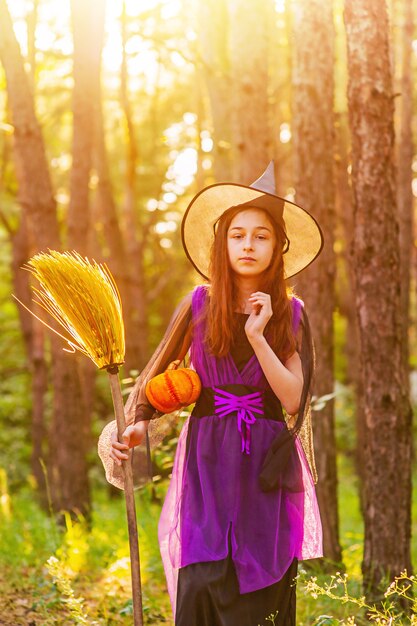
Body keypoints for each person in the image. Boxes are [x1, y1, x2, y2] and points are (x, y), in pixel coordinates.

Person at [98, 162, 323, 626]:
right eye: (237, 234)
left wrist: (259, 336)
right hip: (207, 458)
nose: (247, 245)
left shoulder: (292, 314)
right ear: (223, 242)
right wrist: (139, 424)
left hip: (266, 466)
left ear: (277, 248)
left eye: (260, 236)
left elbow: (294, 400)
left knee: (261, 586)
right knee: (203, 578)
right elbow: (154, 379)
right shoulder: (199, 304)